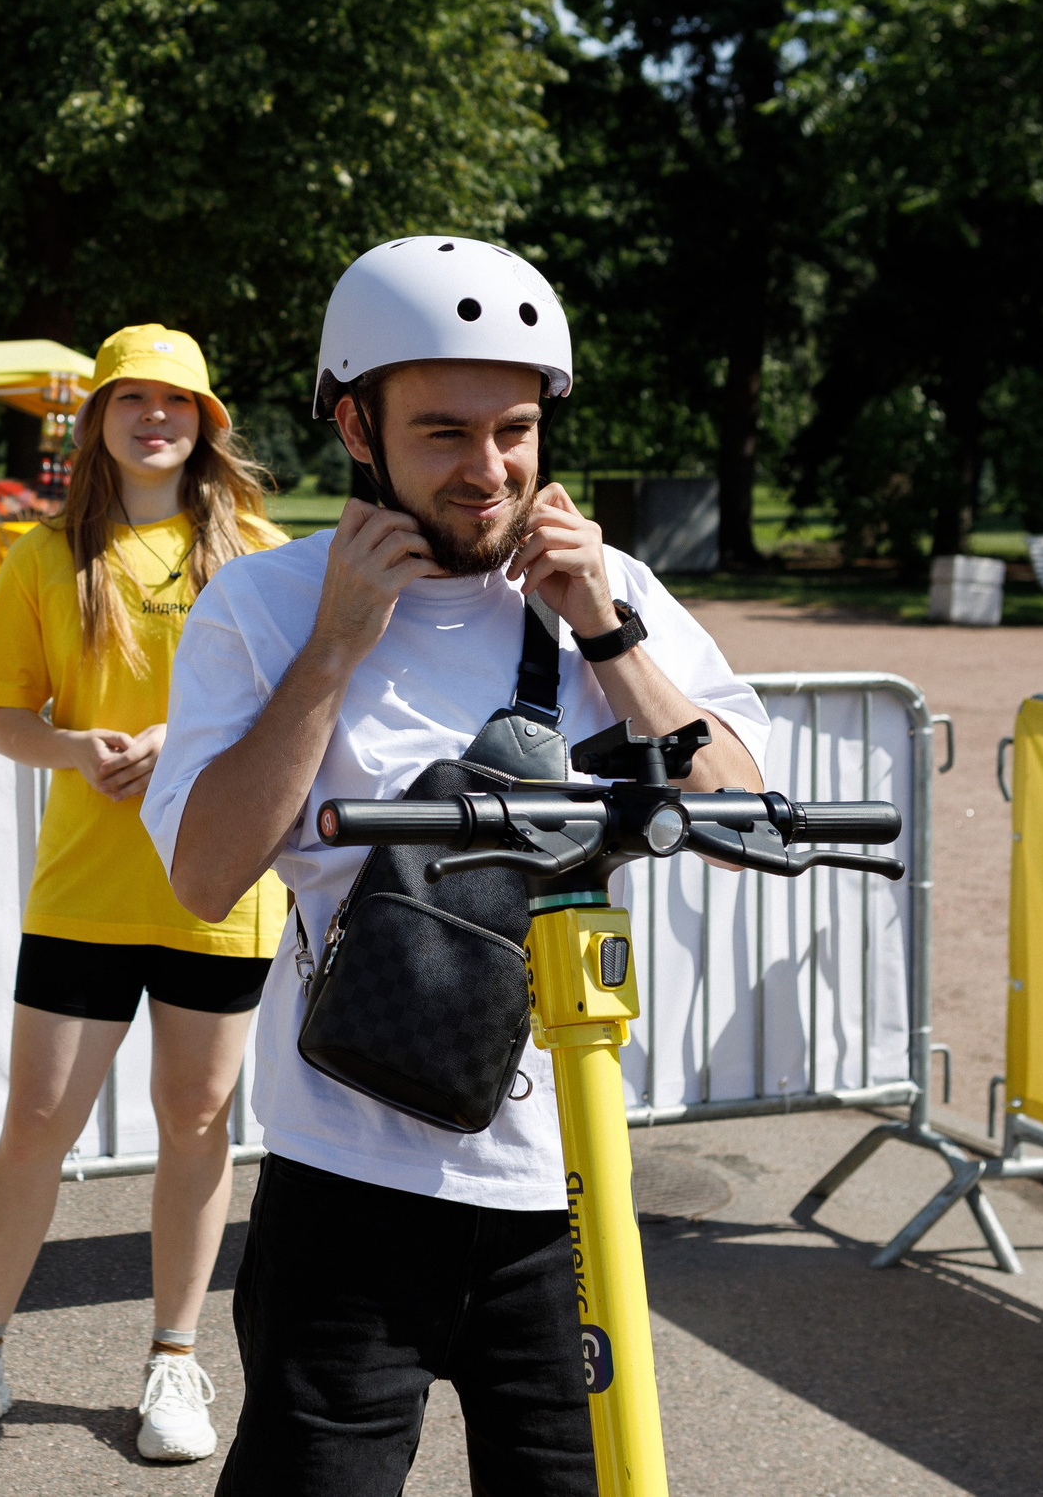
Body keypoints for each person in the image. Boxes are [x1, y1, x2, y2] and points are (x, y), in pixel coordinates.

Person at [140, 238, 771, 1496]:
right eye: (443, 433)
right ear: (355, 426)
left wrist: (608, 631)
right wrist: (332, 650)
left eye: (516, 430)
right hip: (350, 1181)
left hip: (565, 1191)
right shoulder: (262, 607)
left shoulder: (608, 592)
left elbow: (743, 816)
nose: (488, 472)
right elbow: (206, 875)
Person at [0, 325, 286, 1463]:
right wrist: (76, 751)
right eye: (134, 399)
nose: (157, 417)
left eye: (178, 401)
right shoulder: (41, 556)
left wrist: (187, 740)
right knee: (35, 1125)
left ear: (207, 421)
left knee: (198, 1123)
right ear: (99, 418)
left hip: (217, 891)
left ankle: (175, 1362)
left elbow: (301, 710)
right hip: (82, 893)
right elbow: (2, 717)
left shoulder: (263, 554)